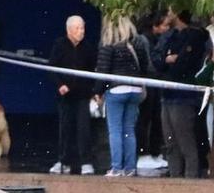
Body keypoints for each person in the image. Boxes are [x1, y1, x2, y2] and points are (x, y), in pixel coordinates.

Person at [96, 15, 151, 177]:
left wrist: (98, 92)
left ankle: (116, 167)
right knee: (129, 130)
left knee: (115, 130)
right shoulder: (137, 43)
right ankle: (130, 167)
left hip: (116, 90)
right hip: (135, 90)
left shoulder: (109, 43)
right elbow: (145, 67)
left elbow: (103, 70)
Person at [155, 10, 208, 178]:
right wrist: (167, 59)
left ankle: (191, 177)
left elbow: (186, 62)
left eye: (171, 10)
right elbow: (157, 59)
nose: (168, 13)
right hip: (167, 93)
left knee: (185, 140)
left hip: (184, 95)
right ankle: (174, 175)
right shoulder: (169, 35)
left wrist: (174, 60)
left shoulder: (195, 36)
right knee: (170, 141)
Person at [47, 15, 99, 174]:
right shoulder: (59, 45)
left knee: (84, 129)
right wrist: (60, 85)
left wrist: (94, 92)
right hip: (65, 96)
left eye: (82, 28)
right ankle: (63, 162)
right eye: (77, 28)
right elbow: (52, 69)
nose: (81, 31)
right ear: (69, 30)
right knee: (65, 129)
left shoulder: (88, 47)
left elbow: (93, 70)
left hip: (83, 95)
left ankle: (86, 162)